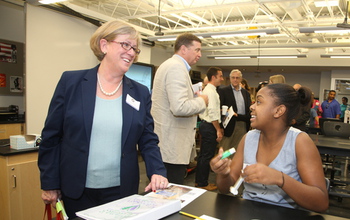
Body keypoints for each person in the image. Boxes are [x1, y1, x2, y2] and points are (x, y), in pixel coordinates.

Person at [38, 20, 168, 218]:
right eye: (125, 45)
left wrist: (157, 171)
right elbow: (51, 137)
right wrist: (50, 183)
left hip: (121, 191)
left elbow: (148, 138)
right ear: (104, 45)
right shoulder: (71, 83)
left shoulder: (140, 93)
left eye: (135, 48)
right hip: (76, 190)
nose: (132, 52)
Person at [210, 83, 329, 212]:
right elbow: (225, 188)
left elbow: (321, 203)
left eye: (259, 102)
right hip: (247, 212)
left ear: (279, 111)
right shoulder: (248, 138)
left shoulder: (300, 142)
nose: (251, 106)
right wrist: (223, 174)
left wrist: (280, 178)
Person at [151, 33, 208, 184]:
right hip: (171, 147)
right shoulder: (176, 68)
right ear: (183, 49)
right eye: (197, 50)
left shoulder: (172, 65)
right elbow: (179, 107)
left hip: (168, 144)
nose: (199, 55)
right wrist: (202, 101)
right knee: (168, 194)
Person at [195, 67, 223, 191]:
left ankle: (199, 181)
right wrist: (218, 129)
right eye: (220, 76)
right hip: (210, 125)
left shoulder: (210, 90)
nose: (222, 79)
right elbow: (212, 113)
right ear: (213, 77)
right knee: (207, 155)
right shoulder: (211, 91)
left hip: (205, 124)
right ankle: (203, 183)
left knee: (203, 155)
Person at [218, 69, 251, 151]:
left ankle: (235, 163)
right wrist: (220, 127)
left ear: (241, 79)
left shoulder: (245, 93)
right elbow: (219, 109)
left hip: (242, 125)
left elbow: (248, 110)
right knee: (226, 148)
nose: (235, 80)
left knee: (238, 148)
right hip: (228, 124)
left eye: (237, 78)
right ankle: (224, 163)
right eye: (233, 78)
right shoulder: (223, 91)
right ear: (230, 79)